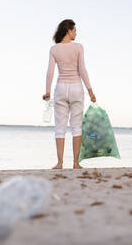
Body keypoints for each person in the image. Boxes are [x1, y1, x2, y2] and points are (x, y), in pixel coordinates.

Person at [42, 19, 96, 169]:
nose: (76, 32)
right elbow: (82, 70)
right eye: (75, 30)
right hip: (76, 88)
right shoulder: (78, 47)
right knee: (76, 126)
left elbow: (50, 72)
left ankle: (59, 163)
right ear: (69, 30)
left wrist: (47, 91)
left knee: (60, 127)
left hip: (60, 88)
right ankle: (75, 163)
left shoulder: (54, 49)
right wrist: (91, 91)